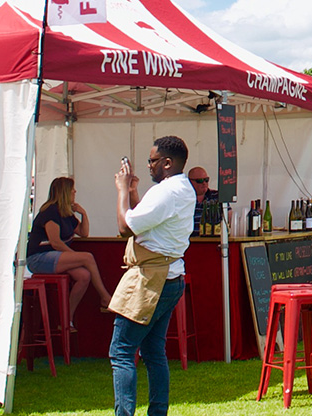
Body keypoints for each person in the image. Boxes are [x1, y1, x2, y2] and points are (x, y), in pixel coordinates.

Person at [110, 136, 196, 416]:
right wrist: (135, 193)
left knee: (121, 351)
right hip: (171, 277)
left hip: (152, 280)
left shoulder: (166, 192)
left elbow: (126, 227)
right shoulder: (181, 188)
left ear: (168, 163)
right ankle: (158, 412)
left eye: (153, 161)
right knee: (153, 351)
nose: (149, 166)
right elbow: (147, 223)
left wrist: (122, 190)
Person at [26, 177, 112, 322]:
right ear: (65, 192)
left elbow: (83, 233)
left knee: (84, 276)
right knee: (87, 258)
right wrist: (78, 258)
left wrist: (83, 214)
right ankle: (105, 298)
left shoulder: (66, 213)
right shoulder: (50, 212)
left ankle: (67, 317)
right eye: (72, 190)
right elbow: (55, 242)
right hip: (38, 258)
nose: (75, 192)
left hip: (54, 257)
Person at [188, 166, 219, 236]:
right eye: (200, 181)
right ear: (189, 181)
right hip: (189, 241)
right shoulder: (184, 198)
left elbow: (229, 216)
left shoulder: (217, 196)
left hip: (211, 240)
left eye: (206, 180)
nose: (204, 183)